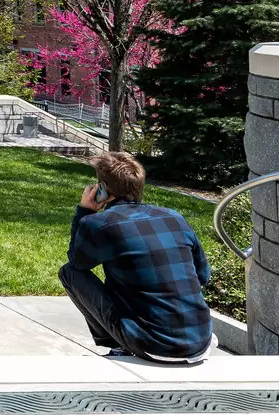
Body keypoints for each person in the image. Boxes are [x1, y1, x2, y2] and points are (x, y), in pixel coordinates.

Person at [59, 150, 213, 363]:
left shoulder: (98, 224)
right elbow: (203, 276)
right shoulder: (174, 217)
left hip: (152, 344)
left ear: (102, 189)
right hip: (200, 342)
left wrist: (84, 212)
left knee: (69, 272)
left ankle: (118, 346)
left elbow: (78, 262)